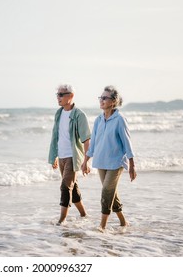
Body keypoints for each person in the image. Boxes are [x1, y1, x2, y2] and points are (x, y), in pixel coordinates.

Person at [82, 85, 137, 232]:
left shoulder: (119, 119)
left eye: (105, 98)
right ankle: (123, 222)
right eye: (101, 97)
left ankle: (102, 226)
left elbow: (127, 143)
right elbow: (93, 143)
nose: (101, 100)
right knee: (112, 193)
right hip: (100, 161)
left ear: (113, 101)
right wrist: (85, 161)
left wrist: (132, 165)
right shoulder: (98, 120)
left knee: (106, 191)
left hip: (116, 162)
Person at [48, 84, 91, 225]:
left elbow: (86, 139)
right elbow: (56, 136)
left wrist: (86, 161)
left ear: (70, 96)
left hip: (73, 157)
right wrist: (54, 156)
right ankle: (84, 214)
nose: (58, 97)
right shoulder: (59, 113)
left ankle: (62, 220)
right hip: (61, 156)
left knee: (65, 187)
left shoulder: (79, 115)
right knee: (73, 186)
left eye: (61, 94)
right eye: (57, 94)